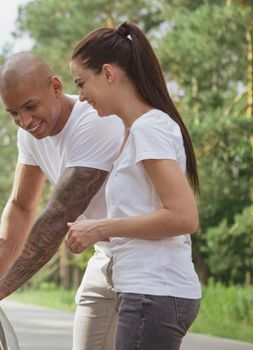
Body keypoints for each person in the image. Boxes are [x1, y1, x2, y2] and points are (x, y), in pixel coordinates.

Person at [0, 52, 123, 350]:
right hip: (104, 255)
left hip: (142, 255)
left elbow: (59, 214)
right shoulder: (30, 135)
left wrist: (5, 284)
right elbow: (21, 205)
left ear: (55, 86)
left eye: (31, 106)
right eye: (14, 113)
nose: (25, 121)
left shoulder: (92, 120)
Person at [66, 22, 201, 350]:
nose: (81, 97)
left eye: (82, 83)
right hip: (148, 293)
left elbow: (184, 217)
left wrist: (101, 228)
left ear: (108, 73)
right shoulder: (136, 131)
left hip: (154, 293)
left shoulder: (149, 129)